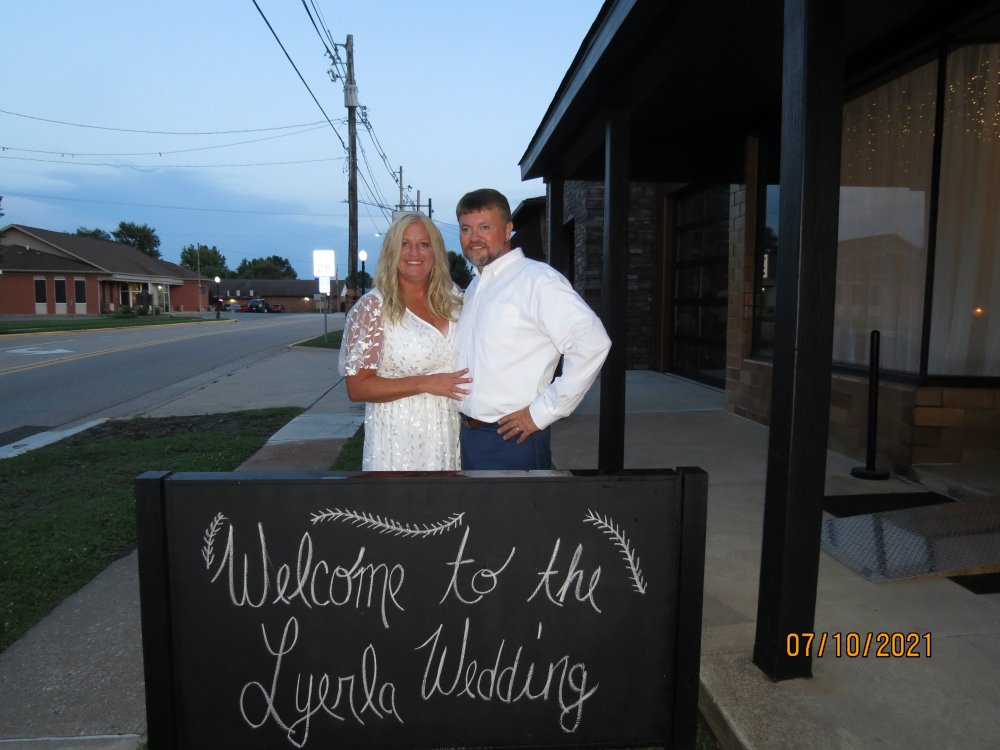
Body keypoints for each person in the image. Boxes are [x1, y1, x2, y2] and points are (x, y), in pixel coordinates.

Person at [453, 188, 611, 470]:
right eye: (466, 229)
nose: (474, 237)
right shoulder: (474, 288)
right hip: (469, 436)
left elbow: (592, 342)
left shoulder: (537, 280)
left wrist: (542, 412)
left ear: (507, 230)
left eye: (485, 227)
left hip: (512, 438)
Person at [338, 212, 470, 470]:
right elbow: (357, 388)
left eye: (424, 244)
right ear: (391, 251)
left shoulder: (455, 299)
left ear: (436, 252)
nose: (414, 253)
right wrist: (424, 383)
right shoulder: (373, 307)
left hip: (448, 429)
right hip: (397, 435)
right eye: (404, 244)